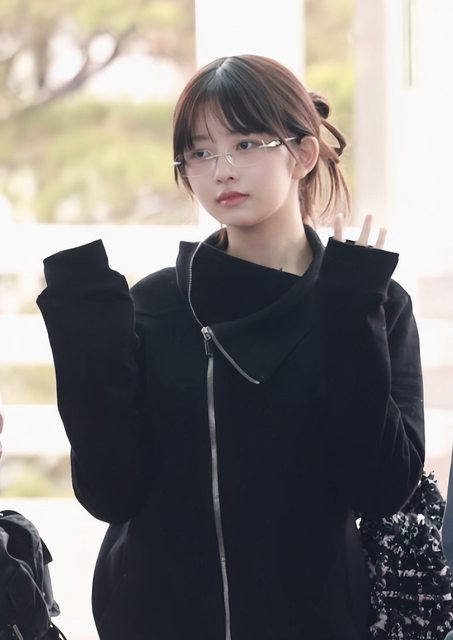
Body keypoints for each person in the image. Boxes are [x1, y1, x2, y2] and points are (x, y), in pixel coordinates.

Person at [36, 54, 425, 640]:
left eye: (245, 144)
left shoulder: (372, 303)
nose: (221, 171)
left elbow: (381, 487)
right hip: (156, 622)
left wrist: (351, 321)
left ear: (303, 154)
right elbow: (110, 491)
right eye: (199, 152)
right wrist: (85, 331)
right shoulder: (156, 305)